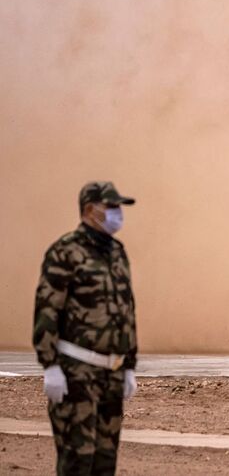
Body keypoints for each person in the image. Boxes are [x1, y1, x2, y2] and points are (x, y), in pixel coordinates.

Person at [34, 181, 141, 476]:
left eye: (119, 207)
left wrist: (129, 365)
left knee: (105, 462)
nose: (118, 213)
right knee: (77, 461)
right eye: (111, 207)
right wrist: (50, 366)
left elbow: (126, 310)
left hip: (112, 373)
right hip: (76, 371)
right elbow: (47, 309)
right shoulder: (65, 251)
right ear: (90, 210)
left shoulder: (117, 253)